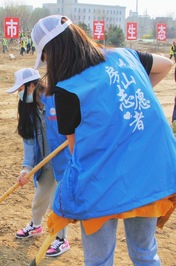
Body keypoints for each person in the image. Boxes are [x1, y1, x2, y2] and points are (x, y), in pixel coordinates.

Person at [31, 14, 176, 265]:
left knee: (99, 261)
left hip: (103, 183)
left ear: (52, 53)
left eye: (44, 58)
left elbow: (78, 153)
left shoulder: (66, 90)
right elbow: (165, 65)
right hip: (150, 172)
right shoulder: (126, 56)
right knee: (145, 254)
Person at [7, 68, 71, 257]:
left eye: (21, 89)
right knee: (40, 197)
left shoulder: (56, 100)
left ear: (32, 86)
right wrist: (26, 168)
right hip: (44, 162)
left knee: (57, 202)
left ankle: (61, 239)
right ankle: (36, 226)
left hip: (64, 161)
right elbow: (29, 141)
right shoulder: (29, 110)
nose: (19, 94)